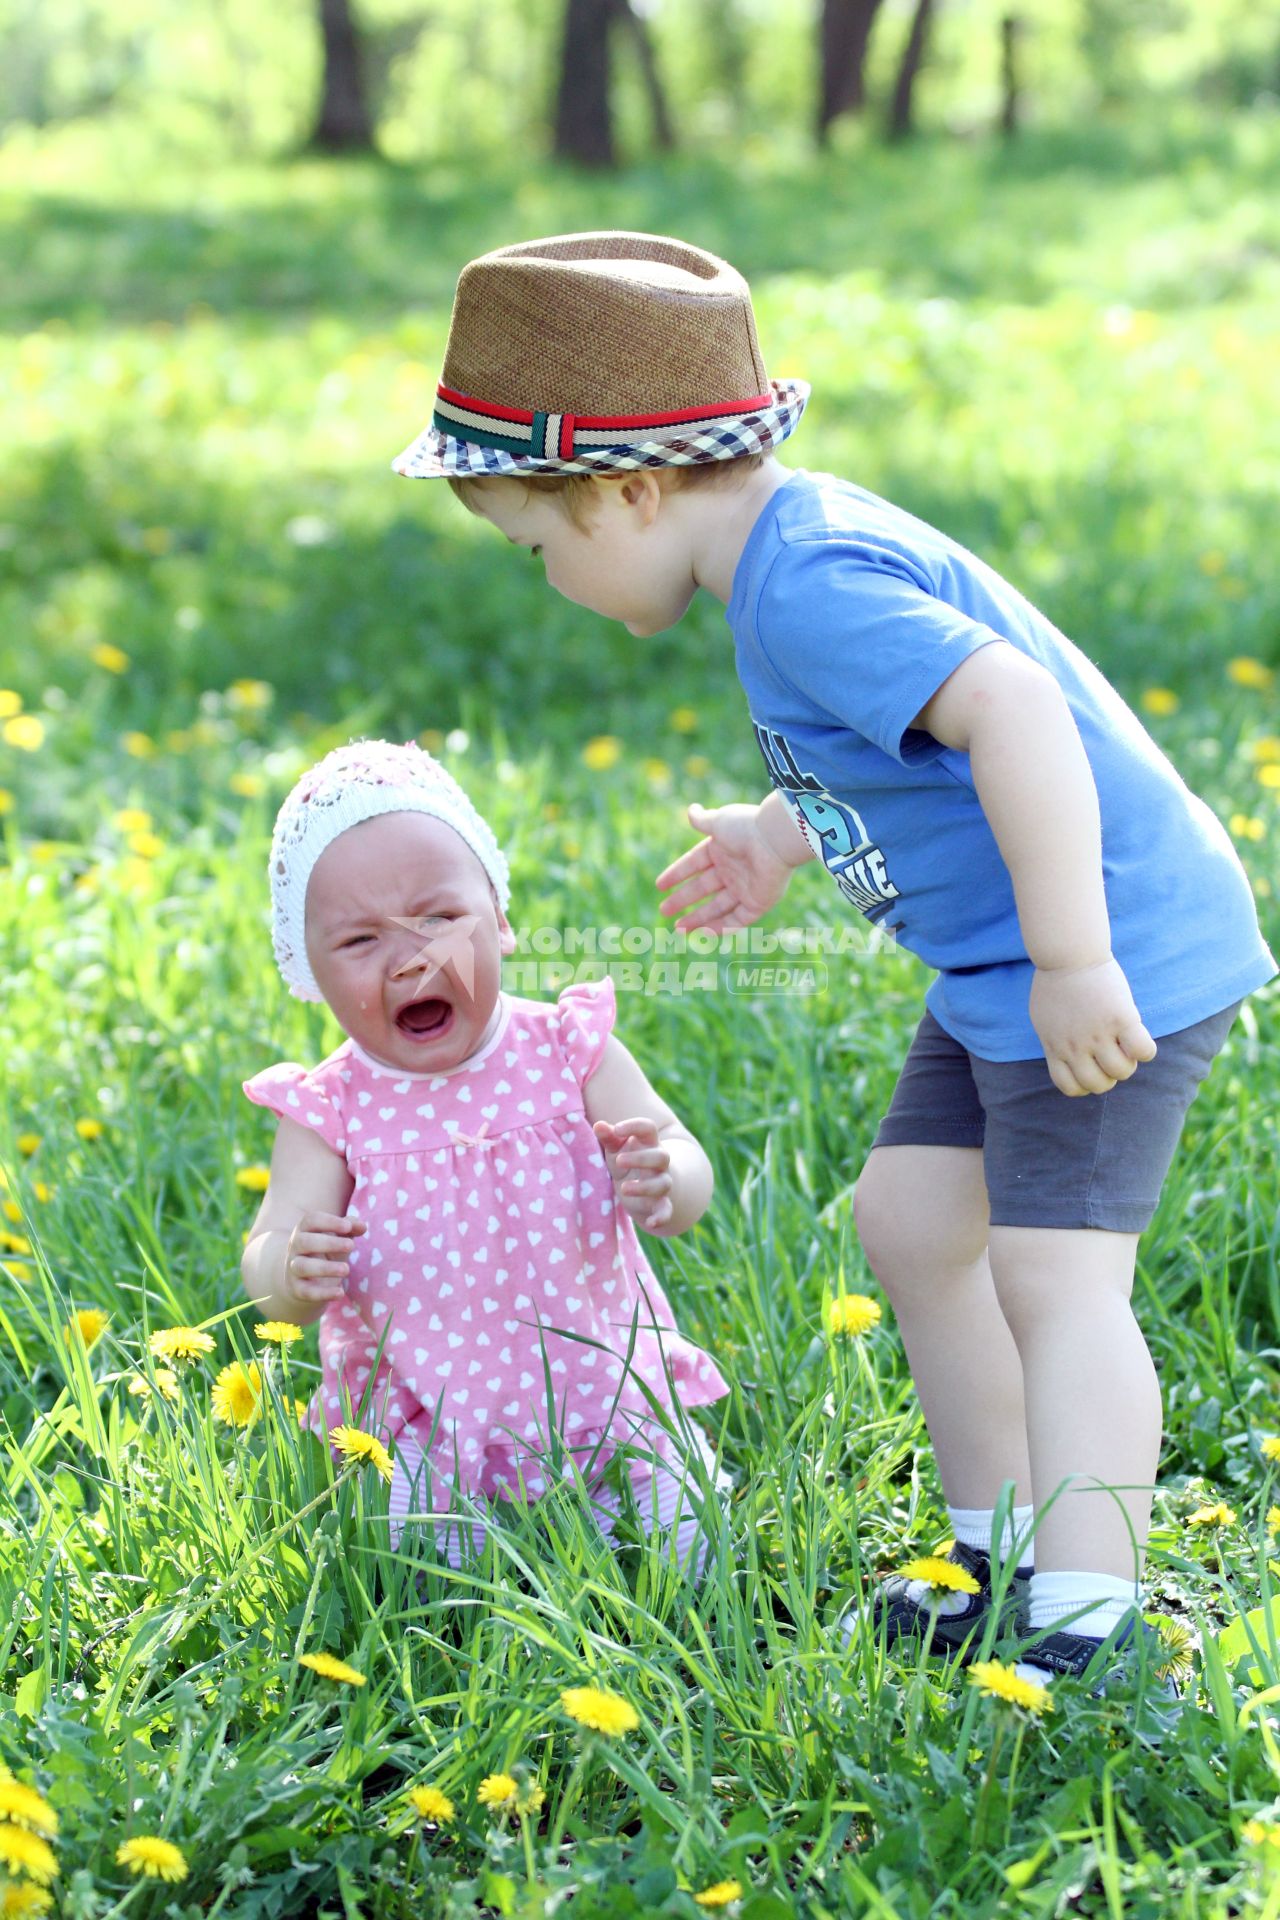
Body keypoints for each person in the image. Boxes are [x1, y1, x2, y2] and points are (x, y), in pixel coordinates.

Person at [391, 230, 1276, 1685]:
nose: (543, 580)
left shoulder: (805, 585)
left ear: (627, 491)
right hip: (1005, 968)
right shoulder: (783, 561)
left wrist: (1070, 960)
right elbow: (901, 752)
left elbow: (1015, 712)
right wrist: (779, 830)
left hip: (1106, 955)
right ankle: (997, 1551)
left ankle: (1097, 1618)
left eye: (538, 550)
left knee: (1059, 1277)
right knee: (916, 1224)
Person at [240, 737, 729, 1574]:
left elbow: (684, 1160)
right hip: (427, 1418)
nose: (412, 957)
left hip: (603, 1395)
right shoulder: (331, 1109)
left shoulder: (569, 1049)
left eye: (440, 916)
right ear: (311, 973)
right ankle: (469, 1560)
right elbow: (269, 1264)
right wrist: (292, 1270)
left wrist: (667, 1178)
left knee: (696, 1544)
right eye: (359, 942)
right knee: (420, 1575)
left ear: (499, 919)